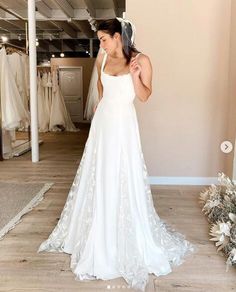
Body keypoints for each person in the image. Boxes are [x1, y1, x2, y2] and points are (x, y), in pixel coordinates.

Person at [38, 18, 195, 291]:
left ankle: (122, 229)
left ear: (118, 36)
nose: (101, 44)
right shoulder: (103, 59)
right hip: (103, 125)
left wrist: (134, 77)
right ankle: (97, 227)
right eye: (100, 39)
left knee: (121, 172)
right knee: (100, 173)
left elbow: (145, 96)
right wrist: (100, 107)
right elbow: (101, 88)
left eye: (103, 39)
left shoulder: (142, 60)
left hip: (124, 126)